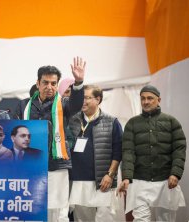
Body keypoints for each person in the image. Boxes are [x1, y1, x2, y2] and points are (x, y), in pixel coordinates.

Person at [15, 57, 86, 222]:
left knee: (56, 209)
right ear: (38, 83)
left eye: (53, 83)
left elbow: (77, 104)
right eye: (45, 82)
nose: (49, 87)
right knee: (31, 206)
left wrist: (79, 81)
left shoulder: (64, 104)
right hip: (29, 163)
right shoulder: (23, 105)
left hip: (56, 163)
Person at [117, 85, 186, 221]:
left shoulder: (171, 122)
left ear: (158, 100)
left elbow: (179, 149)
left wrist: (175, 174)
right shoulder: (132, 123)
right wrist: (126, 177)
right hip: (139, 180)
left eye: (150, 98)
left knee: (166, 219)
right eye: (143, 98)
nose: (146, 102)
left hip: (166, 179)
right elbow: (128, 152)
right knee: (140, 219)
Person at [68, 85, 123, 221]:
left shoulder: (112, 122)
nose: (83, 102)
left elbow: (118, 151)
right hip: (78, 181)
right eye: (81, 98)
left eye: (87, 98)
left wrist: (110, 175)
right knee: (81, 218)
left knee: (105, 217)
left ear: (98, 99)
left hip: (103, 181)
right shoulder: (73, 121)